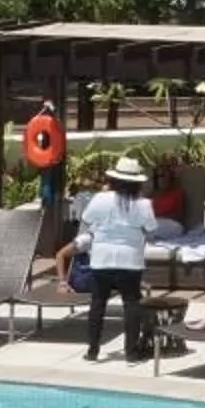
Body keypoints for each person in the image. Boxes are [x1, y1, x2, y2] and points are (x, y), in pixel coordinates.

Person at [73, 155, 156, 363]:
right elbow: (151, 229)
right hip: (130, 259)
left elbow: (86, 219)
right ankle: (131, 352)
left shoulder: (101, 199)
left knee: (98, 303)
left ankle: (93, 351)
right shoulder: (143, 204)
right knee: (131, 303)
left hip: (102, 258)